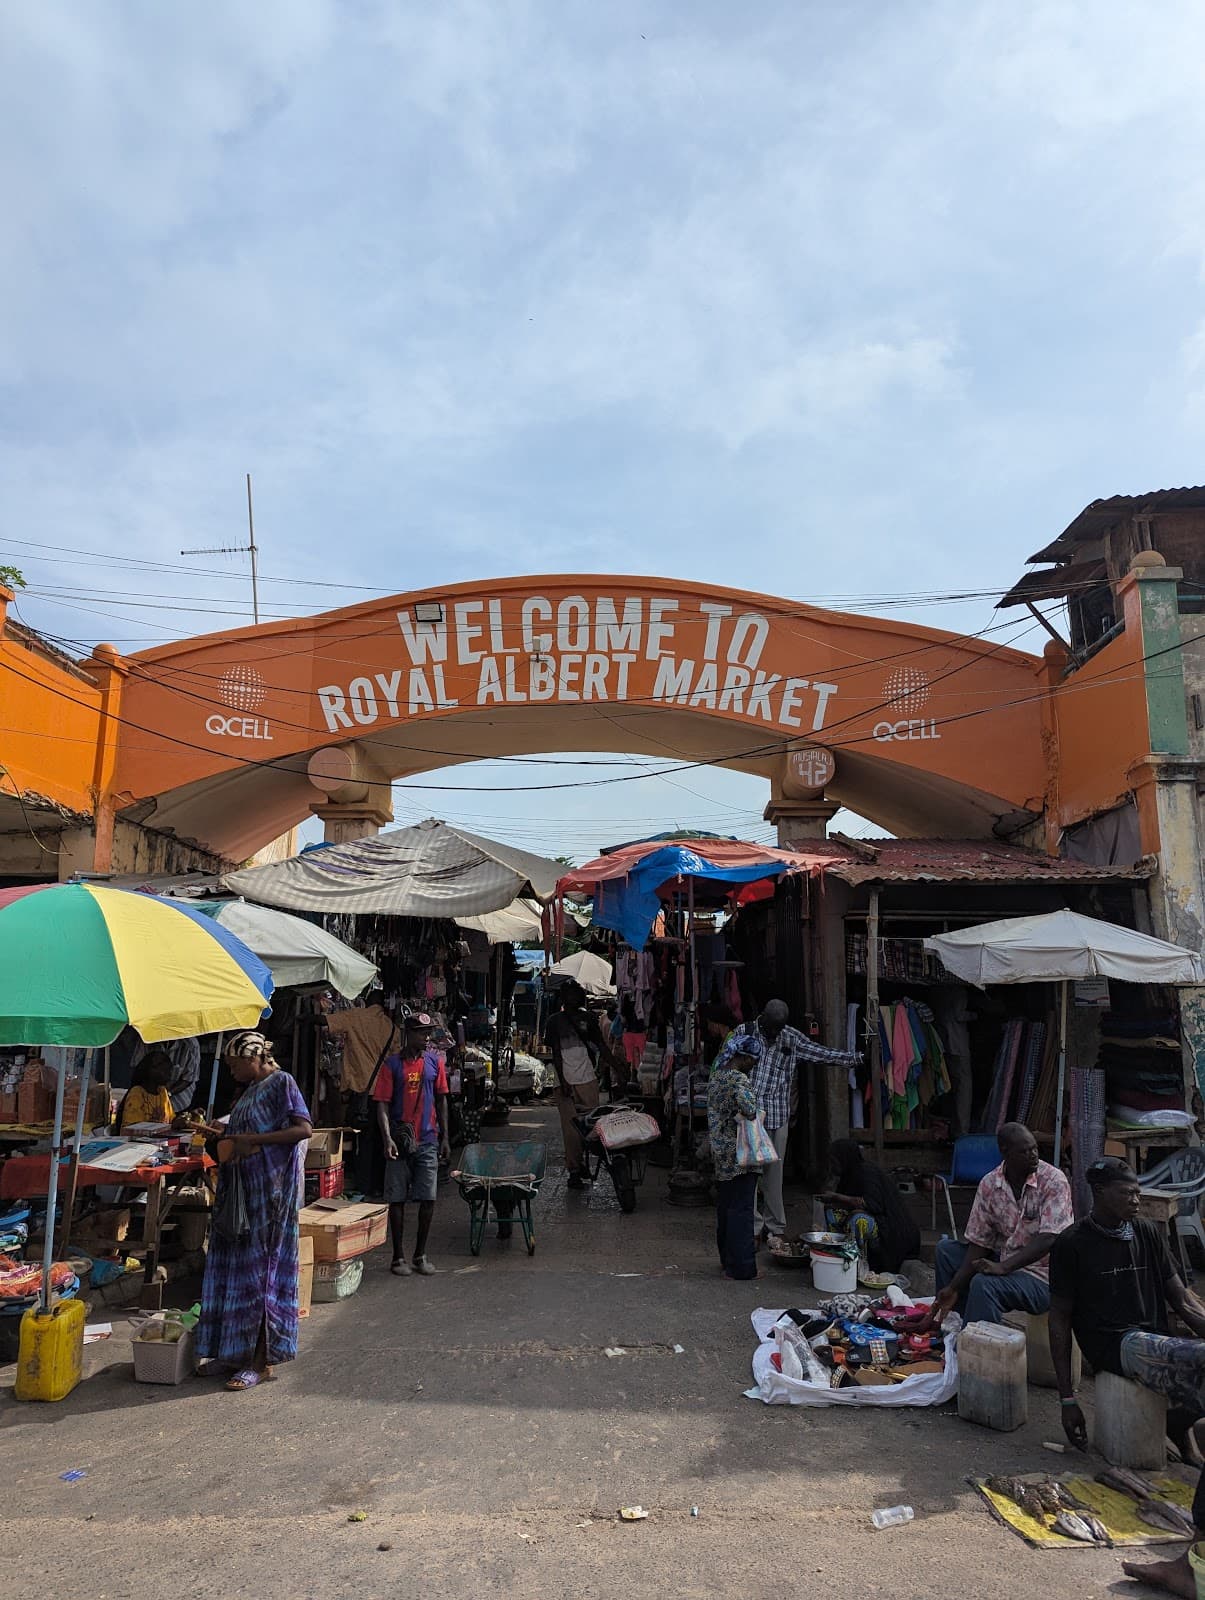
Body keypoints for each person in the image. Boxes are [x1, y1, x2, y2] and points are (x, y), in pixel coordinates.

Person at [1050, 1157, 1205, 1598]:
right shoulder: (1072, 1244)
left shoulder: (1149, 1233)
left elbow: (1184, 1301)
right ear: (1099, 1193)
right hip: (1115, 1345)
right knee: (1188, 1357)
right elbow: (1059, 1321)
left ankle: (1182, 1427)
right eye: (1127, 1192)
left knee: (1192, 1355)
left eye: (1139, 1191)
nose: (1137, 1199)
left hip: (1154, 1340)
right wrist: (1067, 1398)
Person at [195, 1031, 312, 1393]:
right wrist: (221, 1131)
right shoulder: (247, 1092)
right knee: (233, 1275)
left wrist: (253, 1141)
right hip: (241, 1195)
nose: (232, 1072)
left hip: (270, 1199)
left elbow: (302, 1128)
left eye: (234, 1065)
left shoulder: (282, 1082)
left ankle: (259, 1362)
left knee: (262, 1278)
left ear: (253, 1059)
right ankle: (231, 1351)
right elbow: (245, 1132)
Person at [717, 999, 862, 1238]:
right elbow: (724, 1065)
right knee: (749, 1174)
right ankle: (751, 1228)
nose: (775, 1033)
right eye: (771, 1028)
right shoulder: (745, 1032)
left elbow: (821, 1054)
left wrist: (855, 1058)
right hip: (748, 1114)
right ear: (762, 1018)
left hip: (777, 1114)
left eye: (778, 1029)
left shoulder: (790, 1038)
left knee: (774, 1175)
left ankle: (775, 1227)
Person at [928, 1121, 1073, 1326]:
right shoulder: (990, 1183)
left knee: (985, 1284)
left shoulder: (1053, 1180)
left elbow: (1049, 1238)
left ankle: (981, 1346)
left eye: (1034, 1149)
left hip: (1045, 1277)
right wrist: (953, 1287)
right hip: (1008, 1260)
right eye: (1024, 1151)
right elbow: (980, 1243)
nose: (1033, 1155)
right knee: (945, 1251)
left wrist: (1002, 1268)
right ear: (1005, 1153)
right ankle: (954, 1325)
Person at [373, 1013, 450, 1277]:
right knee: (397, 1199)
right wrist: (387, 1139)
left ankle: (420, 1254)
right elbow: (381, 1104)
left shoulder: (435, 1063)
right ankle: (398, 1257)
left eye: (428, 1032)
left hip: (428, 1139)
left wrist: (446, 1137)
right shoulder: (392, 1065)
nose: (426, 1037)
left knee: (428, 1197)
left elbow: (442, 1100)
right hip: (400, 1141)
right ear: (408, 1033)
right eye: (420, 1032)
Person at [545, 980, 625, 1187]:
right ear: (563, 998)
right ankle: (574, 1170)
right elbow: (555, 1053)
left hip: (588, 1079)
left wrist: (618, 1069)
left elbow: (601, 1047)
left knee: (590, 1127)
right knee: (571, 1130)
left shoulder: (589, 1019)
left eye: (575, 994)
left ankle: (583, 1165)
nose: (572, 998)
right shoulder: (554, 1021)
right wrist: (563, 1080)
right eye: (568, 994)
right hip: (564, 1083)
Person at [707, 1038, 764, 1281]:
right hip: (741, 1152)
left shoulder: (717, 1075)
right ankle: (741, 1268)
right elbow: (749, 1108)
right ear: (744, 1057)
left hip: (721, 1152)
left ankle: (727, 1262)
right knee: (741, 1210)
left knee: (726, 1208)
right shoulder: (738, 1080)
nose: (754, 1065)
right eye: (753, 1060)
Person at [819, 1139, 920, 1272]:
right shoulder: (847, 1175)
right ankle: (836, 1256)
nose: (832, 1165)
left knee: (859, 1221)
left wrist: (836, 1197)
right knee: (831, 1213)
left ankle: (859, 1264)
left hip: (890, 1226)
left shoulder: (867, 1172)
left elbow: (871, 1203)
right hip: (874, 1219)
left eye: (834, 1161)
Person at [320, 990, 399, 1095]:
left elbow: (326, 1021)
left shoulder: (355, 1016)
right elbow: (396, 1061)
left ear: (366, 1002)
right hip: (382, 1090)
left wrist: (307, 1018)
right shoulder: (393, 1029)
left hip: (359, 1088)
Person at [131, 1033, 201, 1115]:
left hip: (179, 1099)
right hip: (147, 1094)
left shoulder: (191, 1044)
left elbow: (189, 1078)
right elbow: (137, 1068)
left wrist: (166, 1094)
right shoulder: (146, 1037)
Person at [119, 1049, 178, 1131]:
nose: (169, 1075)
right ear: (151, 1070)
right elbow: (133, 1129)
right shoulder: (137, 1093)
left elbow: (171, 1120)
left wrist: (186, 1118)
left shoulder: (162, 1091)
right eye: (165, 1071)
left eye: (170, 1071)